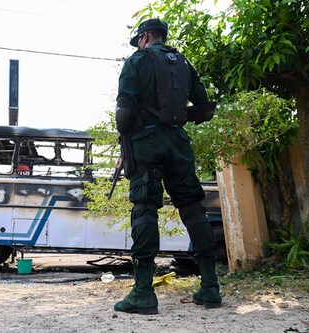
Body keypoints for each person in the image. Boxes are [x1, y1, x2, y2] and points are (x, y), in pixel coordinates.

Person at [114, 18, 222, 315]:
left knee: (145, 207)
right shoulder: (184, 63)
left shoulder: (136, 61)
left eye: (138, 39)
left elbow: (124, 114)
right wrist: (175, 117)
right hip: (178, 143)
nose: (137, 44)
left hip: (146, 144)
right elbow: (204, 109)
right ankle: (211, 288)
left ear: (146, 36)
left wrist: (128, 142)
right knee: (192, 207)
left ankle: (143, 293)